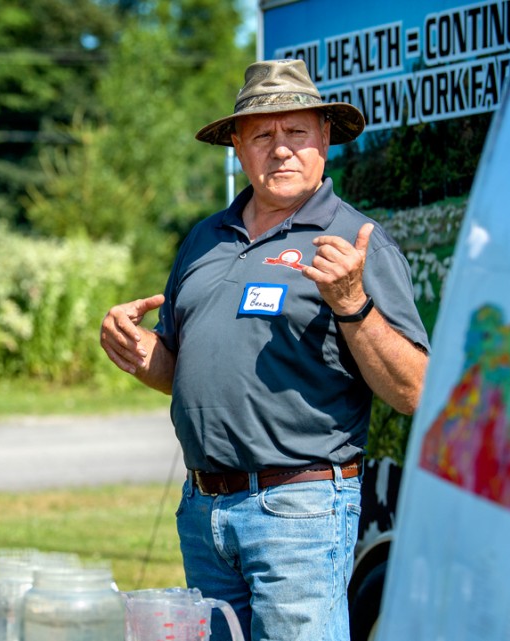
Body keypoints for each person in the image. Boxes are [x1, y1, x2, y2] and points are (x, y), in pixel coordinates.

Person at [100, 59, 430, 641]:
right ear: (237, 146)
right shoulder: (205, 238)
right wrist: (139, 348)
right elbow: (185, 371)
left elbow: (415, 391)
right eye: (262, 135)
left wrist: (352, 303)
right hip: (204, 511)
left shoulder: (357, 243)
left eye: (296, 132)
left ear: (324, 137)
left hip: (299, 512)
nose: (281, 149)